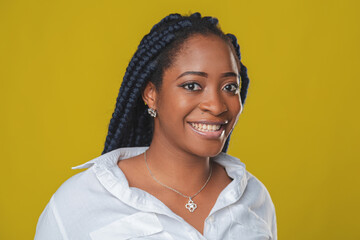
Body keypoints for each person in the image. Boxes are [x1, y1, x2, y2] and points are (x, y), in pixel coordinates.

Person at [35, 12, 277, 240]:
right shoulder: (78, 201)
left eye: (230, 87)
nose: (216, 106)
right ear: (151, 94)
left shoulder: (253, 196)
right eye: (192, 85)